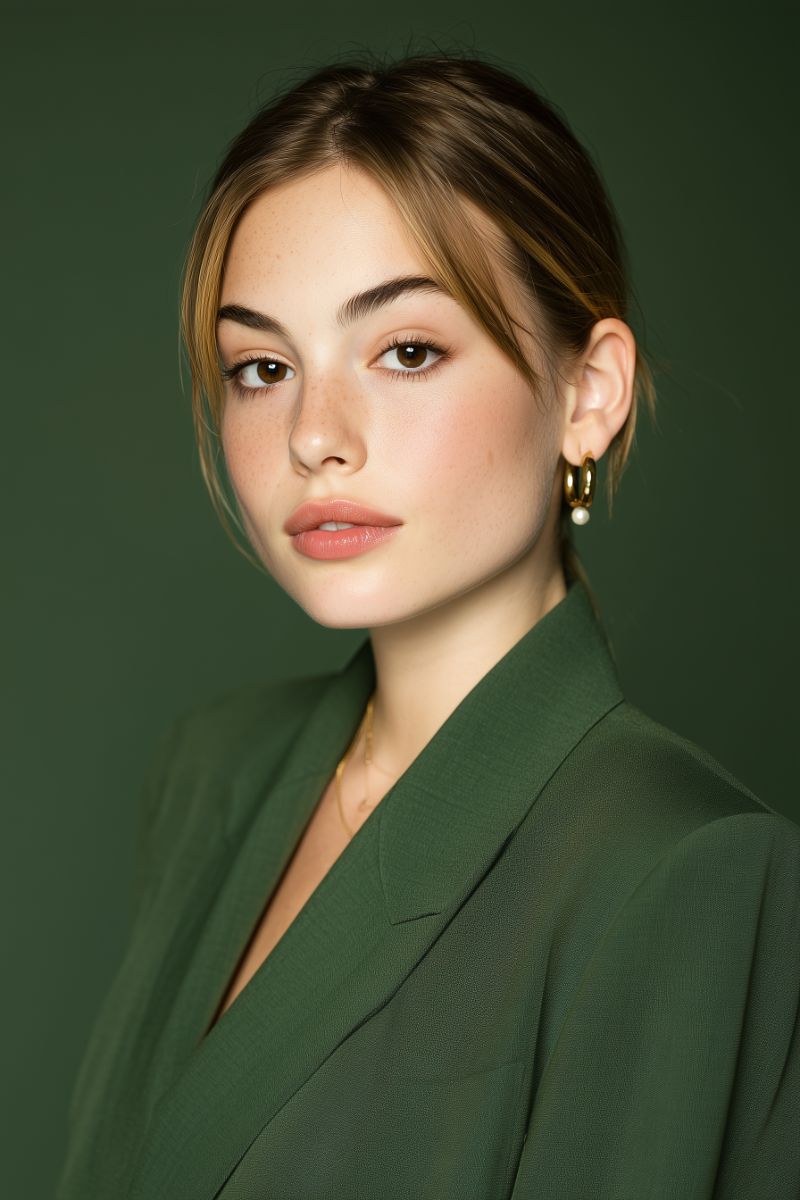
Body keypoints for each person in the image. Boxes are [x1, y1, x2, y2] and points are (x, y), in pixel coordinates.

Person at [56, 51, 799, 1200]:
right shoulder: (213, 772)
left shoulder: (691, 873)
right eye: (260, 366)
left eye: (405, 351)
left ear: (585, 395)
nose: (315, 434)